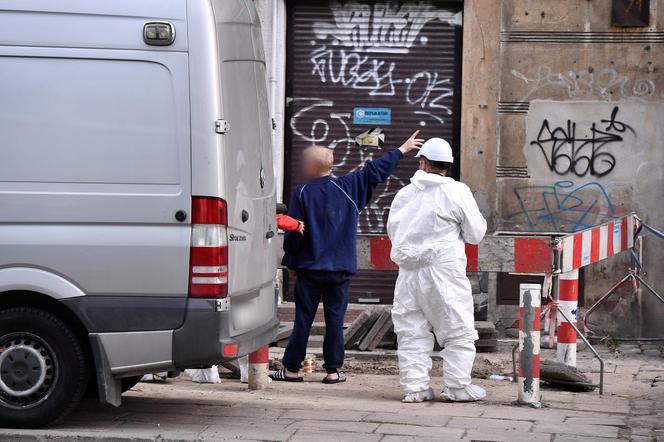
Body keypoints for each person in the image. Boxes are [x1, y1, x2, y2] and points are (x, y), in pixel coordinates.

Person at [271, 131, 424, 384]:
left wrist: (291, 262)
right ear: (331, 165)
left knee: (303, 320)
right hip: (340, 271)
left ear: (311, 166)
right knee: (334, 320)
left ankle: (291, 370)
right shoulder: (349, 188)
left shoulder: (301, 193)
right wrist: (402, 149)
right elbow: (375, 170)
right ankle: (333, 372)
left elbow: (295, 231)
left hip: (309, 270)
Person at [387, 137, 487, 403]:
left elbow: (393, 232)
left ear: (423, 163)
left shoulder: (404, 195)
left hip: (408, 273)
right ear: (448, 166)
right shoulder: (457, 192)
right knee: (457, 329)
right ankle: (456, 387)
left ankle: (415, 388)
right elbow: (475, 234)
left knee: (411, 331)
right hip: (443, 272)